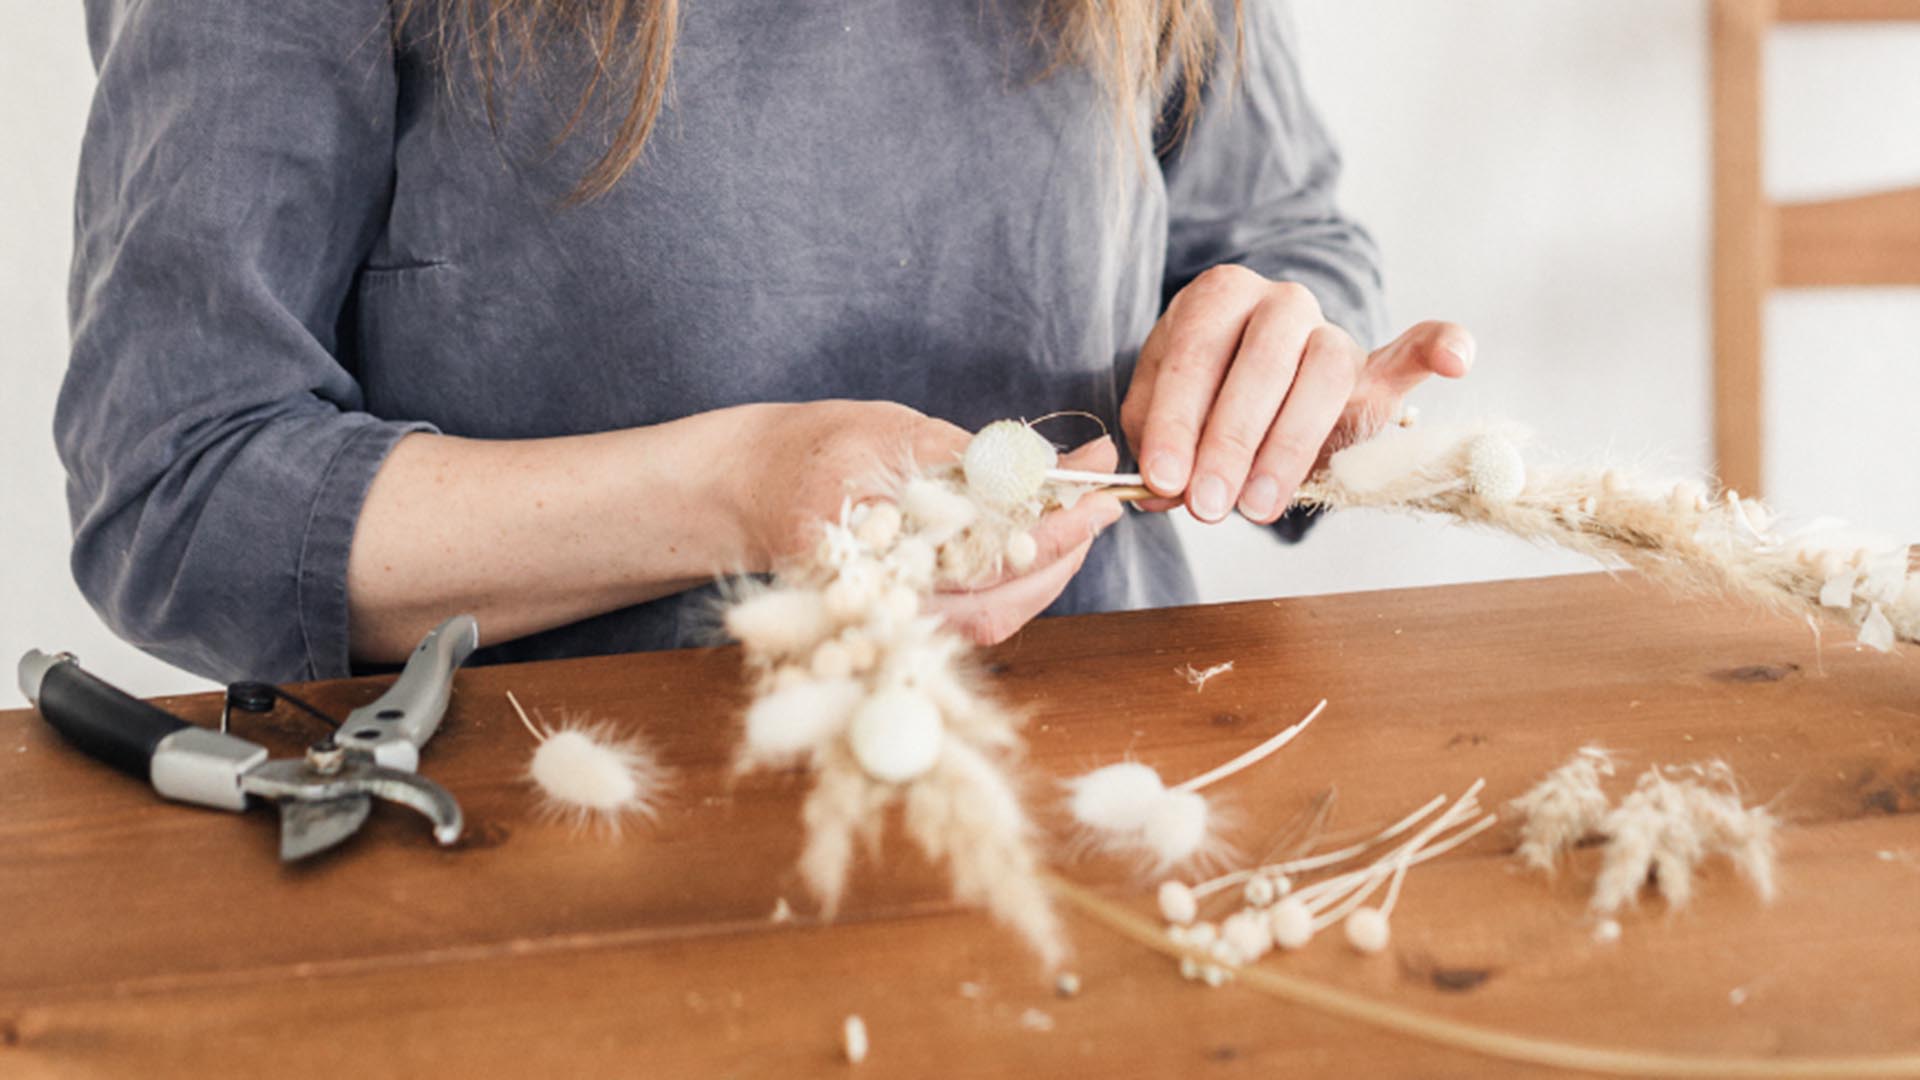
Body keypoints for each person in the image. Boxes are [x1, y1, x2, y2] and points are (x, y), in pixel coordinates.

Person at [59, 0, 1472, 683]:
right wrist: (738, 492)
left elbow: (1281, 233)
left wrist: (1285, 365)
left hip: (1115, 822)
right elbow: (181, 494)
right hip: (562, 875)